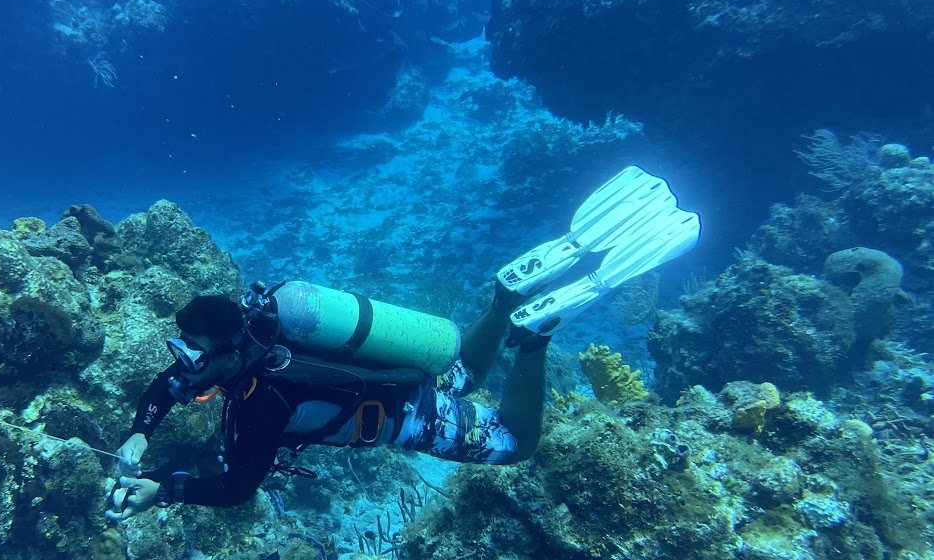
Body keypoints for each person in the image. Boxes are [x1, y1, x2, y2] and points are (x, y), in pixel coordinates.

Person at [108, 166, 700, 520]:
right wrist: (141, 430)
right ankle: (504, 297)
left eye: (194, 353)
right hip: (401, 368)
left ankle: (533, 334)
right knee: (463, 366)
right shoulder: (264, 319)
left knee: (517, 444)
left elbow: (237, 490)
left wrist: (164, 490)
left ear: (231, 350)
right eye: (181, 351)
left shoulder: (260, 402)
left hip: (412, 418)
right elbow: (172, 384)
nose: (186, 366)